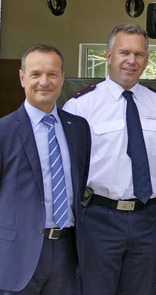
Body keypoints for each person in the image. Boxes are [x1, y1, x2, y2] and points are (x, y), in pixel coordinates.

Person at [63, 23, 156, 295]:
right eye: (124, 52)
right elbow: (68, 172)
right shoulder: (80, 106)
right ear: (108, 56)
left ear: (147, 60)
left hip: (145, 220)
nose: (131, 61)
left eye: (139, 54)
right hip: (98, 219)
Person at [0, 45, 90, 294]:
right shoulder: (4, 131)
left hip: (66, 252)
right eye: (35, 74)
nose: (44, 82)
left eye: (52, 74)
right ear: (21, 78)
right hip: (16, 256)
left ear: (62, 77)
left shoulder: (78, 128)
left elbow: (80, 183)